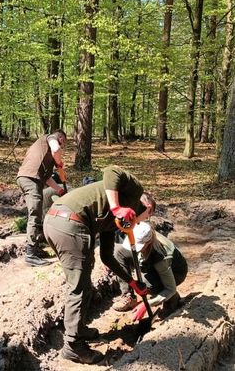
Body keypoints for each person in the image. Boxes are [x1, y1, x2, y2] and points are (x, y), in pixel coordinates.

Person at [43, 166, 156, 364]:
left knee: (84, 283)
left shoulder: (115, 221)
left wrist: (132, 282)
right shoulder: (134, 192)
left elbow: (107, 257)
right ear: (146, 207)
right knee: (78, 287)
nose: (142, 222)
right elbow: (111, 171)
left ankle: (78, 330)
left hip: (59, 222)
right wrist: (116, 208)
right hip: (68, 222)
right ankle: (73, 346)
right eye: (147, 217)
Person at [112, 221, 187, 320]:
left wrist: (146, 304)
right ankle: (128, 296)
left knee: (145, 284)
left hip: (176, 273)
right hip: (151, 260)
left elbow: (170, 288)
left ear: (147, 243)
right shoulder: (141, 231)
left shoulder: (160, 256)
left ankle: (172, 299)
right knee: (119, 253)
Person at [17, 130, 67, 267]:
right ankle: (30, 254)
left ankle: (35, 248)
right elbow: (56, 149)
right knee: (35, 215)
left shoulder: (44, 155)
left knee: (37, 214)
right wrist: (59, 163)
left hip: (31, 178)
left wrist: (60, 190)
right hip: (29, 179)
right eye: (63, 144)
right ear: (61, 138)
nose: (62, 147)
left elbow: (47, 178)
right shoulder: (51, 138)